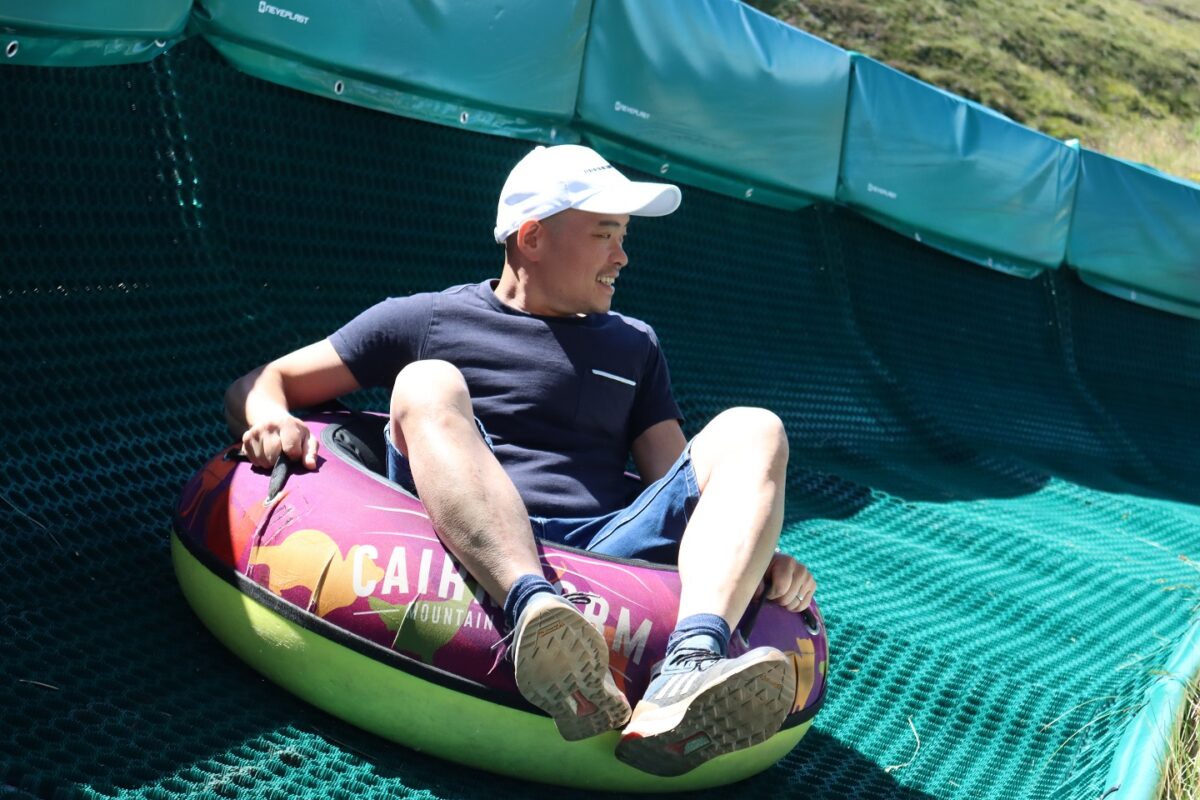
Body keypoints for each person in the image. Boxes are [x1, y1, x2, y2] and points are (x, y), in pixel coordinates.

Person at [225, 144, 817, 777]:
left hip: (604, 545)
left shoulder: (634, 344)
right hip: (459, 542)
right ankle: (535, 618)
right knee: (426, 381)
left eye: (622, 237)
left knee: (756, 427)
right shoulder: (426, 319)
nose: (622, 256)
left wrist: (748, 553)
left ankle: (689, 669)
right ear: (533, 238)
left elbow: (679, 484)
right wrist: (269, 420)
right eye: (604, 234)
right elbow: (266, 380)